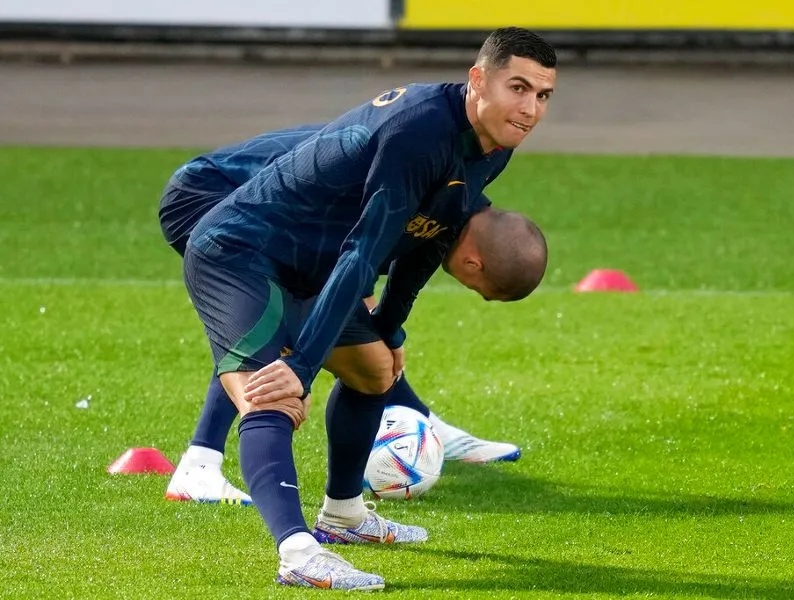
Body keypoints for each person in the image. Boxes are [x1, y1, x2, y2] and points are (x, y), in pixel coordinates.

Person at [179, 26, 556, 590]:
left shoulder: (492, 146)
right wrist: (302, 368)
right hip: (243, 252)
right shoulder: (420, 129)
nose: (529, 109)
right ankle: (297, 552)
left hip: (309, 267)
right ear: (479, 80)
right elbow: (363, 251)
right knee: (272, 397)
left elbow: (428, 237)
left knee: (376, 370)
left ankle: (344, 515)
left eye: (543, 96)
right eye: (518, 88)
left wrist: (391, 328)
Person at [160, 123, 524, 507]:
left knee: (327, 329)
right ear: (476, 261)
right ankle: (199, 464)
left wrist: (382, 329)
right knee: (271, 316)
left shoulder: (443, 192)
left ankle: (415, 420)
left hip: (263, 212)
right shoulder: (427, 186)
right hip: (208, 195)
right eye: (478, 287)